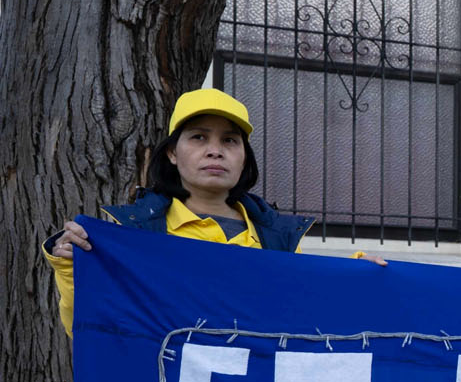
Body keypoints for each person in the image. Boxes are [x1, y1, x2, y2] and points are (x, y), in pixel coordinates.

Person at [43, 88, 329, 336]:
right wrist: (70, 269)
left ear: (244, 157)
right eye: (199, 137)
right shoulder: (133, 234)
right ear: (172, 153)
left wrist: (355, 274)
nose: (215, 151)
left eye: (229, 140)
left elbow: (306, 316)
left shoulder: (279, 238)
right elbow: (94, 328)